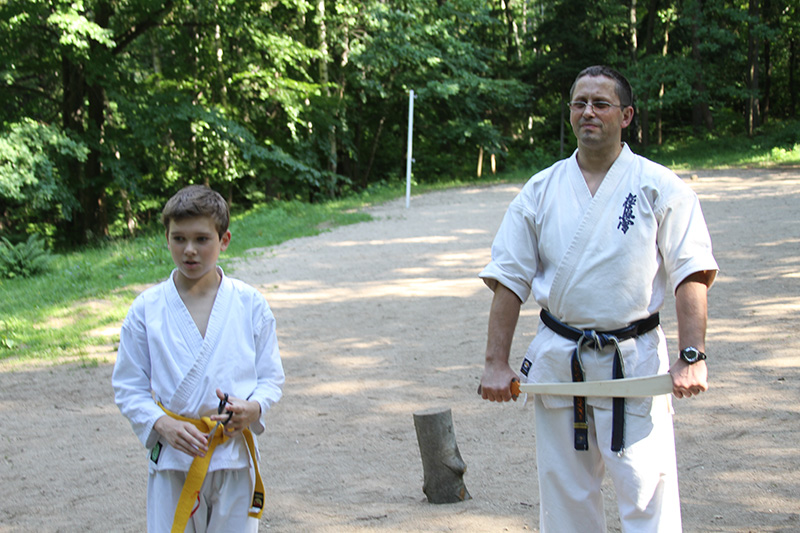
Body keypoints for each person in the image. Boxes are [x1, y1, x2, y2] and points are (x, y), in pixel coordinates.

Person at [478, 65, 718, 532]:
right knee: (565, 499)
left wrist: (692, 356)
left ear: (626, 116)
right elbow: (508, 278)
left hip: (634, 360)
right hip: (560, 360)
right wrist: (495, 362)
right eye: (579, 103)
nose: (588, 111)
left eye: (601, 103)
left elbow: (691, 271)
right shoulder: (540, 190)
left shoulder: (659, 186)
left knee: (647, 493)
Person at [112, 185, 285, 532]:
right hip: (174, 459)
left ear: (224, 240)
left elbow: (270, 378)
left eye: (202, 239)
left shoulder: (250, 304)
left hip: (233, 456)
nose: (189, 250)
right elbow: (128, 386)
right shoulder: (147, 309)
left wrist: (254, 408)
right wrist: (161, 423)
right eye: (179, 239)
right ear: (167, 238)